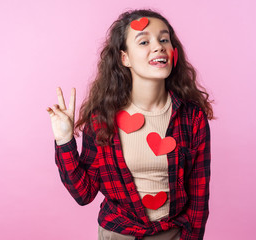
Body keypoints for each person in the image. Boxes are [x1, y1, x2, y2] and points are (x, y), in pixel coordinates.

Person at [46, 9, 214, 240]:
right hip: (118, 233)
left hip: (173, 234)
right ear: (124, 58)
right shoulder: (101, 120)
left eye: (164, 39)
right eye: (144, 41)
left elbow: (199, 194)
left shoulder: (192, 117)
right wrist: (64, 140)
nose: (158, 46)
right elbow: (83, 194)